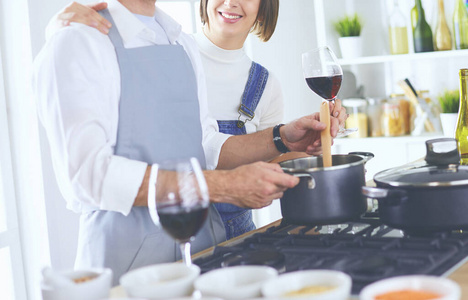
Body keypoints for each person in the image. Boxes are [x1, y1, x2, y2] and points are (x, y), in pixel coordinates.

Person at [33, 0, 343, 284]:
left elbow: (205, 144)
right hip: (125, 269)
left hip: (201, 256)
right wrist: (221, 186)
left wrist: (282, 137)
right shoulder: (78, 40)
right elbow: (87, 177)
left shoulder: (180, 42)